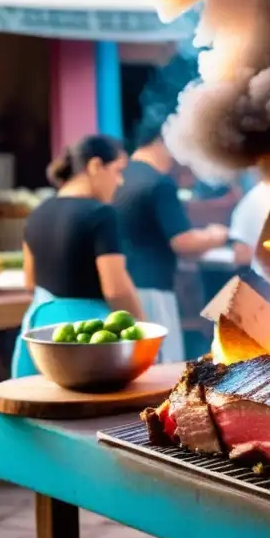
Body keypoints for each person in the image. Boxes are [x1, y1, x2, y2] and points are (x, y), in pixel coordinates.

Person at [12, 135, 143, 378]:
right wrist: (143, 329)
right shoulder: (102, 215)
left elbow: (29, 282)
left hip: (39, 332)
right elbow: (116, 289)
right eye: (117, 171)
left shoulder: (38, 212)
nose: (120, 181)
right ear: (95, 166)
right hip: (89, 338)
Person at [113, 127, 229, 363]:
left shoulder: (118, 175)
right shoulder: (159, 182)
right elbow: (183, 242)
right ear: (163, 141)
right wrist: (217, 235)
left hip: (120, 288)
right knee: (160, 365)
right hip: (153, 291)